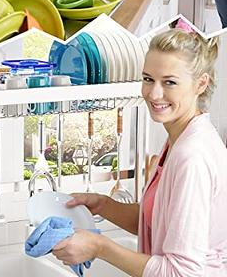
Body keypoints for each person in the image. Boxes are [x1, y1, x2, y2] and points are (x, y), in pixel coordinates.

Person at [52, 26, 227, 276]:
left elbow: (181, 273)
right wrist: (103, 205)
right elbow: (157, 222)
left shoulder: (193, 157)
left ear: (201, 84)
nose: (154, 93)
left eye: (170, 82)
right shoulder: (179, 138)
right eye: (148, 79)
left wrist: (99, 247)